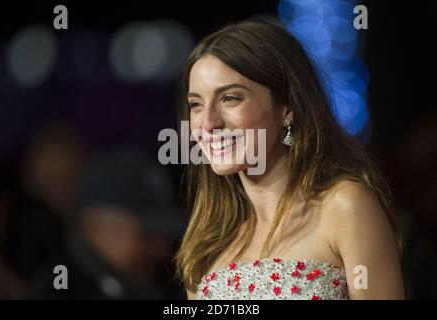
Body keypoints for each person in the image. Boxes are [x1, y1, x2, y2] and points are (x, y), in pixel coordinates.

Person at [174, 20, 404, 300]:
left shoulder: (345, 207)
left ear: (288, 108)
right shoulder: (205, 242)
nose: (208, 123)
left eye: (230, 98)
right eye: (196, 104)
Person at [27, 147, 186, 299]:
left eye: (168, 235)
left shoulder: (173, 280)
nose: (162, 250)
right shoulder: (55, 293)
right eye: (146, 236)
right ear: (94, 227)